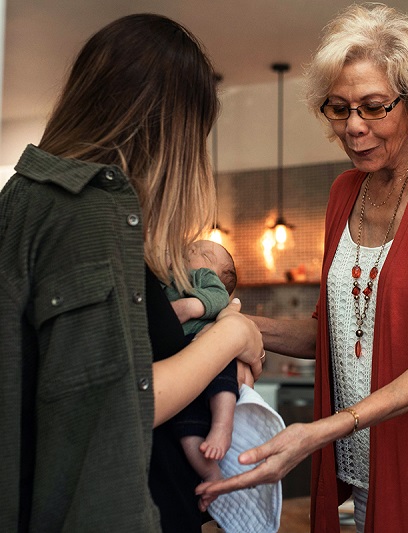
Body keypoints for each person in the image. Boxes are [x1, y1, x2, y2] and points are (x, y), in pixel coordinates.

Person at [197, 4, 408, 532]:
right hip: (367, 466)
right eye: (339, 108)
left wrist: (323, 430)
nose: (354, 127)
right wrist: (237, 329)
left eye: (374, 107)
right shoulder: (343, 193)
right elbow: (333, 332)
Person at [0, 14, 265, 532]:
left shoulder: (25, 200)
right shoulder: (88, 211)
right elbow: (121, 405)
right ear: (170, 130)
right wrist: (233, 333)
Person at [164, 239, 240, 483]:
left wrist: (192, 306)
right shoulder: (169, 277)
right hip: (179, 357)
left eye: (206, 255)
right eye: (192, 248)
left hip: (207, 345)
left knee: (223, 380)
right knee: (186, 426)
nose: (193, 250)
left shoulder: (202, 276)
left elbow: (219, 298)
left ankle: (222, 425)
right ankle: (211, 477)